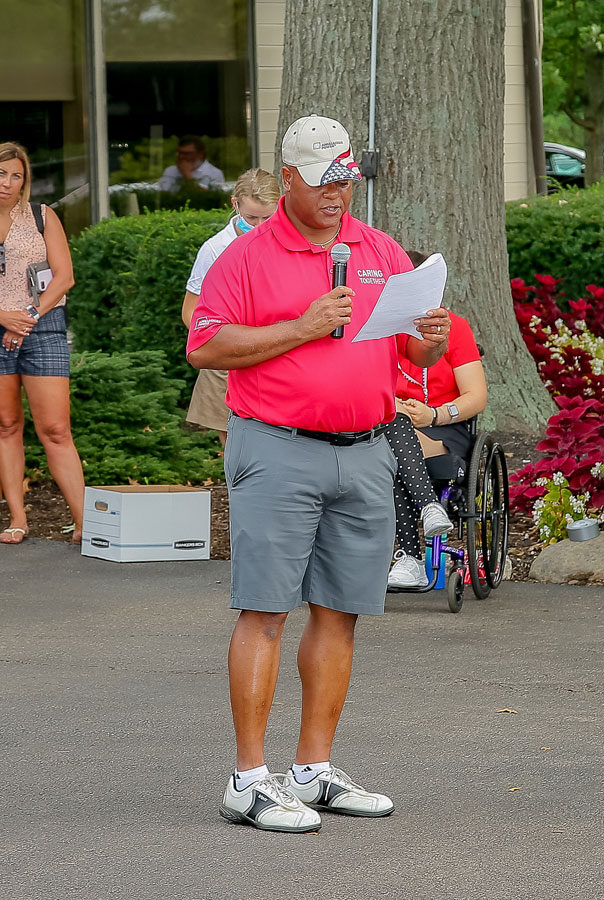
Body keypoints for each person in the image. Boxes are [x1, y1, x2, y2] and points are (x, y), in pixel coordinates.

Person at [186, 114, 450, 833]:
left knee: (340, 612)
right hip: (277, 446)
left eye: (348, 179)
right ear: (291, 177)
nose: (340, 193)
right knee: (266, 609)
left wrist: (429, 345)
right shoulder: (245, 257)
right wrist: (302, 326)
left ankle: (312, 769)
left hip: (366, 449)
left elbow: (408, 355)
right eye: (326, 179)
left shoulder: (378, 248)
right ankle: (248, 781)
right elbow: (205, 347)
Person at [0, 142, 85, 546]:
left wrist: (23, 320)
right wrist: (1, 318)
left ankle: (85, 524)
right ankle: (17, 518)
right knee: (5, 425)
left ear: (25, 180)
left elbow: (63, 277)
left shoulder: (43, 217)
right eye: (0, 173)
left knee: (56, 428)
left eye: (16, 175)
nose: (8, 182)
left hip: (41, 327)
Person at [387, 256, 488, 588]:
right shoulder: (381, 330)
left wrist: (435, 414)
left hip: (444, 426)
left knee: (389, 448)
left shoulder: (453, 327)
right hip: (389, 425)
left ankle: (411, 558)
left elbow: (476, 396)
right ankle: (429, 508)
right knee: (390, 433)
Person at [181, 169, 281, 445]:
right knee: (235, 447)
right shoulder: (215, 249)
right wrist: (218, 343)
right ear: (234, 204)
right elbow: (191, 311)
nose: (259, 225)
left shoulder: (288, 244)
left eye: (267, 218)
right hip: (228, 359)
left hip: (277, 352)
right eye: (251, 218)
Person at [158, 135, 224, 191]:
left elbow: (212, 198)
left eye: (187, 153)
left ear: (200, 154)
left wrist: (187, 175)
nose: (181, 157)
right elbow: (164, 194)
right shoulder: (170, 170)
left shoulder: (215, 173)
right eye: (180, 153)